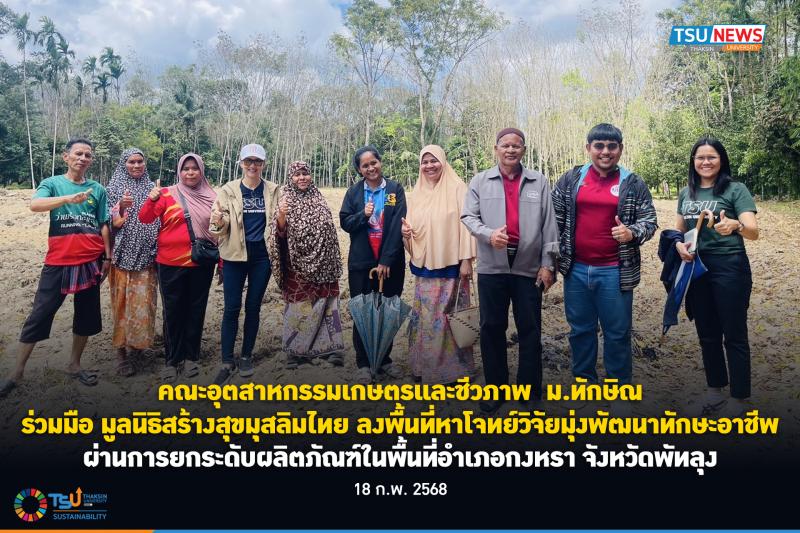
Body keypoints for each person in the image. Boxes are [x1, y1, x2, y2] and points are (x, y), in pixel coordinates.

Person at [552, 123, 657, 400]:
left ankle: (619, 389)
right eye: (599, 146)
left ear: (620, 149)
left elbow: (650, 221)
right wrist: (551, 260)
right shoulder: (572, 179)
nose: (605, 152)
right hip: (575, 270)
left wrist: (631, 232)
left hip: (615, 271)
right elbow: (554, 219)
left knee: (617, 332)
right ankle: (585, 383)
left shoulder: (632, 182)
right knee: (580, 330)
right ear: (588, 148)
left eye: (612, 146)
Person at [0, 138, 111, 397]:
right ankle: (16, 372)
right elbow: (34, 205)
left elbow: (103, 224)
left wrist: (108, 257)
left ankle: (74, 365)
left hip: (91, 261)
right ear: (66, 157)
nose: (83, 158)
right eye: (78, 154)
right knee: (40, 313)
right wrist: (67, 198)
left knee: (86, 315)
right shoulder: (52, 184)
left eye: (88, 155)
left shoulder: (98, 189)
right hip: (59, 261)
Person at [461, 128, 559, 414]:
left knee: (530, 329)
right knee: (491, 329)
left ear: (524, 150)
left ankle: (529, 391)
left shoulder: (538, 181)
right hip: (492, 268)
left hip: (529, 270)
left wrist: (548, 264)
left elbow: (549, 226)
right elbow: (468, 216)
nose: (511, 150)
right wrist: (488, 234)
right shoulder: (481, 181)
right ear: (496, 149)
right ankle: (496, 388)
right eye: (505, 145)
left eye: (517, 146)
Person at [674, 137, 758, 417]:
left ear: (721, 160)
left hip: (729, 266)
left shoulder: (736, 189)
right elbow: (678, 231)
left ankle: (739, 398)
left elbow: (753, 231)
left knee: (734, 332)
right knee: (707, 333)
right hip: (697, 268)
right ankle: (715, 391)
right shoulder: (687, 193)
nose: (705, 162)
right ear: (693, 161)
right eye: (700, 157)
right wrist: (678, 246)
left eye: (711, 157)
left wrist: (735, 226)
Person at [139, 153, 216, 383]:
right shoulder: (166, 194)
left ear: (202, 171)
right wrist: (151, 199)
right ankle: (172, 361)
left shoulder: (213, 196)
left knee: (196, 309)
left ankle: (191, 357)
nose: (190, 172)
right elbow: (145, 218)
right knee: (172, 311)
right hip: (170, 264)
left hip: (201, 263)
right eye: (186, 169)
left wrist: (221, 263)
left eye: (195, 168)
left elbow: (220, 231)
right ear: (179, 172)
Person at [402, 145, 476, 384]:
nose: (429, 166)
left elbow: (467, 227)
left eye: (434, 161)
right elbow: (414, 230)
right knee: (427, 318)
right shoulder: (416, 193)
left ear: (443, 162)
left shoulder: (458, 189)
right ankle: (425, 367)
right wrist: (406, 233)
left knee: (449, 318)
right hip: (425, 267)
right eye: (425, 162)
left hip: (453, 267)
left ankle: (453, 371)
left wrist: (467, 261)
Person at [209, 144, 280, 385]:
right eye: (248, 161)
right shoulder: (228, 189)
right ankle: (227, 360)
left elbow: (280, 222)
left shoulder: (272, 190)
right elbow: (218, 227)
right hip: (234, 255)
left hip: (262, 257)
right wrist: (219, 220)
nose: (252, 165)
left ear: (263, 164)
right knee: (231, 308)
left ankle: (247, 355)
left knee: (253, 306)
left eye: (257, 161)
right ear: (240, 163)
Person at [339, 146, 407, 383]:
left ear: (380, 162)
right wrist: (363, 216)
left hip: (391, 264)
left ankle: (384, 359)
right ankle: (363, 363)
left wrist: (387, 260)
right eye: (365, 165)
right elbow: (345, 222)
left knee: (387, 311)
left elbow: (399, 224)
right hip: (361, 263)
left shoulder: (394, 190)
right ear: (359, 170)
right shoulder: (354, 193)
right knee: (363, 311)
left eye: (373, 162)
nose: (371, 168)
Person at [268, 161, 344, 369]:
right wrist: (282, 215)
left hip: (324, 263)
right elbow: (279, 234)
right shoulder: (285, 198)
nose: (302, 178)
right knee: (299, 306)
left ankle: (331, 348)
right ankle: (296, 351)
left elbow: (329, 229)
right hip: (297, 264)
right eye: (297, 174)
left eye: (305, 174)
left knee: (326, 304)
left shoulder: (317, 197)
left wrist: (325, 253)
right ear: (290, 178)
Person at [106, 148, 159, 377]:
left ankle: (137, 347)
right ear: (123, 164)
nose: (136, 165)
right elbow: (109, 226)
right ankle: (121, 353)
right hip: (121, 257)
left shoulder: (152, 188)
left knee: (143, 304)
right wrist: (123, 209)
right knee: (122, 304)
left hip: (148, 256)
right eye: (131, 162)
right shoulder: (113, 189)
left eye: (140, 161)